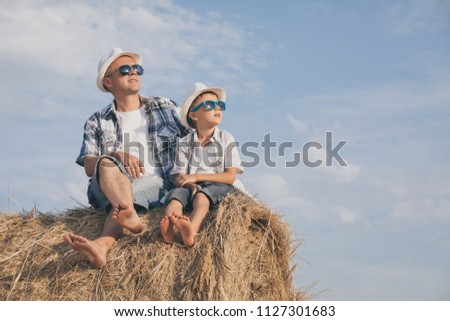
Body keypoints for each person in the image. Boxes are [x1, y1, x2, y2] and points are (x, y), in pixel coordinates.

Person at [64, 48, 189, 267]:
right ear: (108, 82)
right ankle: (130, 216)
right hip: (105, 188)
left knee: (124, 200)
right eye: (124, 70)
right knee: (106, 163)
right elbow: (89, 165)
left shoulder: (165, 107)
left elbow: (196, 140)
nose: (133, 73)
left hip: (154, 186)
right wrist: (116, 155)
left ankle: (102, 245)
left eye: (137, 69)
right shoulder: (97, 120)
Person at [160, 82, 245, 247]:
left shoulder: (226, 138)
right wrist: (191, 185)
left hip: (220, 187)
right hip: (192, 186)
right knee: (175, 196)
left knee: (202, 197)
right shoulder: (184, 143)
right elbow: (179, 176)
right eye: (209, 105)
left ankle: (191, 230)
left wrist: (197, 176)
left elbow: (229, 176)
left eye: (219, 105)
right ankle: (170, 227)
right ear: (194, 116)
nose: (217, 108)